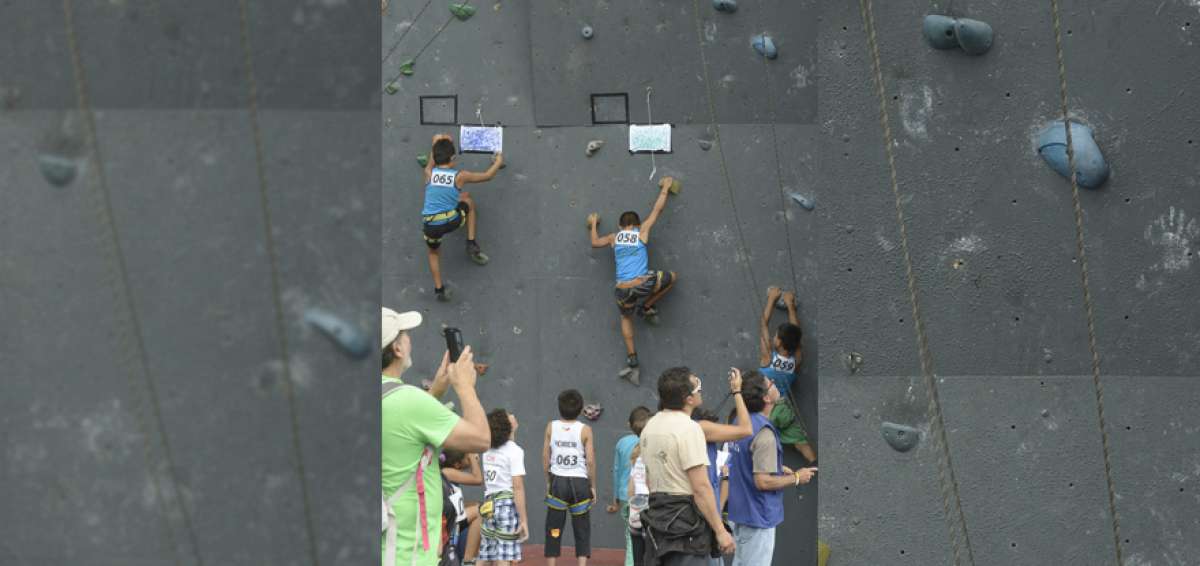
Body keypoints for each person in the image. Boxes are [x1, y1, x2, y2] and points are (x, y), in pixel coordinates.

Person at [382, 307, 491, 566]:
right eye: (405, 334)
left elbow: (402, 432)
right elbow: (480, 440)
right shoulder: (409, 400)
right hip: (409, 555)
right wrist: (464, 386)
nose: (410, 339)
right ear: (397, 349)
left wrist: (436, 391)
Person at [638, 367, 736, 565]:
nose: (701, 390)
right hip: (686, 527)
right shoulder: (689, 428)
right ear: (688, 399)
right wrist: (720, 530)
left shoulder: (650, 427)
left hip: (657, 519)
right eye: (697, 388)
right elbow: (701, 487)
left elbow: (649, 479)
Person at [588, 176, 679, 371]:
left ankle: (632, 357)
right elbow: (657, 210)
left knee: (625, 318)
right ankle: (646, 306)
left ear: (621, 226)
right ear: (637, 224)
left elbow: (595, 243)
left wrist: (594, 223)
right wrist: (665, 188)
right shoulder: (641, 232)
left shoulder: (614, 237)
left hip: (622, 289)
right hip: (642, 283)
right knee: (671, 278)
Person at [726, 372, 816, 566]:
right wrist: (797, 478)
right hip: (757, 518)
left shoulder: (739, 424)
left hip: (740, 514)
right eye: (771, 383)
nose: (775, 384)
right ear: (766, 398)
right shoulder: (764, 433)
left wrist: (775, 466)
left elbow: (744, 461)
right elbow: (762, 481)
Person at [421, 133, 504, 301]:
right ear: (453, 158)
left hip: (430, 225)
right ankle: (471, 243)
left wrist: (435, 141)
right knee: (469, 202)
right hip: (451, 220)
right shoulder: (460, 176)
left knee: (433, 253)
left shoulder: (428, 172)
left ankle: (439, 290)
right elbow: (488, 176)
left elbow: (432, 160)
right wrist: (498, 162)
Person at [758, 286, 816, 464]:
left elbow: (763, 324)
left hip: (762, 409)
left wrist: (771, 299)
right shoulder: (796, 361)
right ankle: (813, 461)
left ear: (780, 342)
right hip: (782, 409)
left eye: (776, 336)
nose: (774, 337)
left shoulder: (767, 356)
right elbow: (798, 340)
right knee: (802, 445)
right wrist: (790, 305)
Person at [542, 390, 596, 566]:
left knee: (554, 528)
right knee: (581, 528)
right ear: (581, 410)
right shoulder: (585, 429)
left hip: (558, 482)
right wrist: (592, 486)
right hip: (579, 484)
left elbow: (545, 457)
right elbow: (590, 461)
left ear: (559, 408)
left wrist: (548, 481)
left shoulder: (551, 426)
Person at [479, 409, 528, 566]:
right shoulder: (515, 452)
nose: (513, 415)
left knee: (486, 553)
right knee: (504, 555)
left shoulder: (486, 450)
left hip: (488, 505)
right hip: (506, 504)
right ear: (507, 426)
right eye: (509, 416)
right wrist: (523, 520)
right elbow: (518, 487)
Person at [607, 406, 652, 566]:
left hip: (627, 496)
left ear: (629, 424)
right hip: (646, 498)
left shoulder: (622, 443)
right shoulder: (652, 444)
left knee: (631, 536)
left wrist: (616, 501)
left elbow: (617, 471)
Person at [440, 449, 483, 566]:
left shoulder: (450, 471)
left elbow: (456, 505)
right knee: (481, 511)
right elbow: (478, 479)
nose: (471, 457)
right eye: (467, 457)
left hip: (455, 516)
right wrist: (473, 459)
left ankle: (472, 555)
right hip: (449, 522)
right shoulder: (447, 472)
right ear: (457, 464)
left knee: (478, 505)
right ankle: (468, 560)